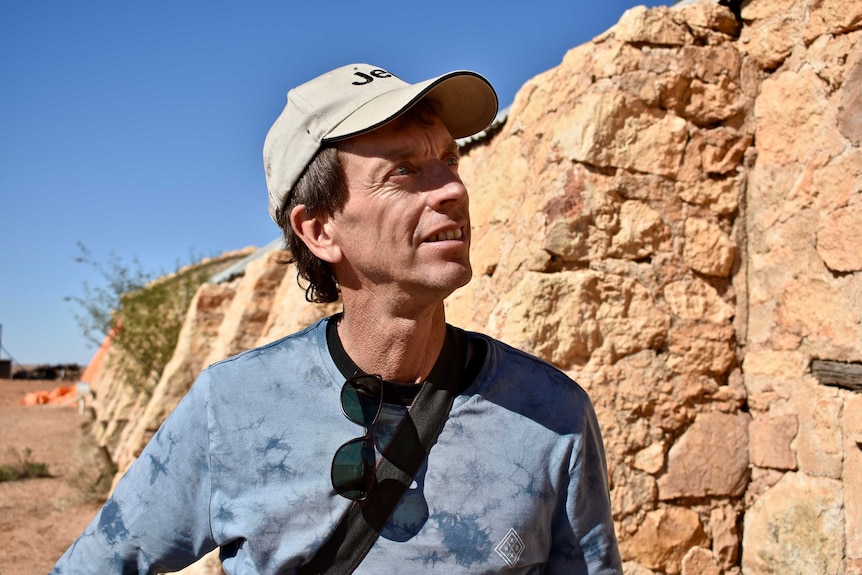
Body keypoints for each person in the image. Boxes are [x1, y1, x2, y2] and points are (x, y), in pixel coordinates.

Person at [53, 63, 622, 574]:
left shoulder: (553, 415)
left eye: (449, 159)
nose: (451, 188)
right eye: (404, 170)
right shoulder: (232, 408)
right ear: (320, 230)